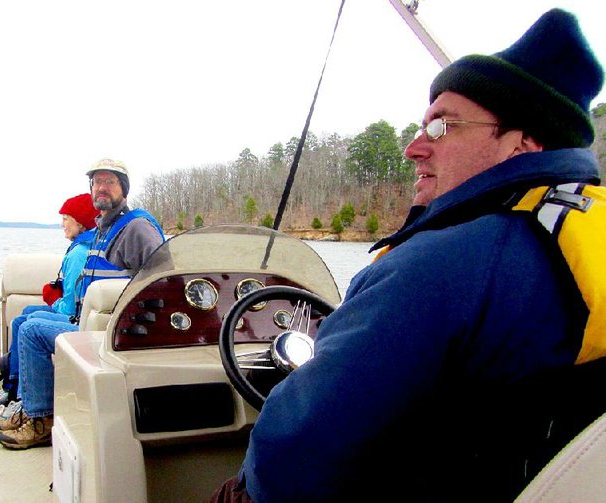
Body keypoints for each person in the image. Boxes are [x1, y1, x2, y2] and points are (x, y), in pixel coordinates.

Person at [213, 9, 604, 502]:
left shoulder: (445, 263)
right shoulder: (580, 240)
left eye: (442, 126)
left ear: (523, 143)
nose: (413, 148)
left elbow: (299, 446)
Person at [0, 158, 165, 449]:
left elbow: (162, 280)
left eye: (110, 182)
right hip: (88, 320)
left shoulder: (136, 228)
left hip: (114, 331)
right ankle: (26, 406)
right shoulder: (102, 229)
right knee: (27, 321)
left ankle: (41, 420)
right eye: (97, 182)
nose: (102, 188)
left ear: (124, 188)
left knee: (31, 330)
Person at [0, 193, 99, 406]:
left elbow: (69, 310)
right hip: (80, 315)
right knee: (27, 313)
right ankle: (13, 386)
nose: (62, 224)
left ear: (80, 223)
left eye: (66, 218)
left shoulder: (79, 254)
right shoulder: (82, 247)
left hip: (80, 321)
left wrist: (52, 299)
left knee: (25, 323)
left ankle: (20, 394)